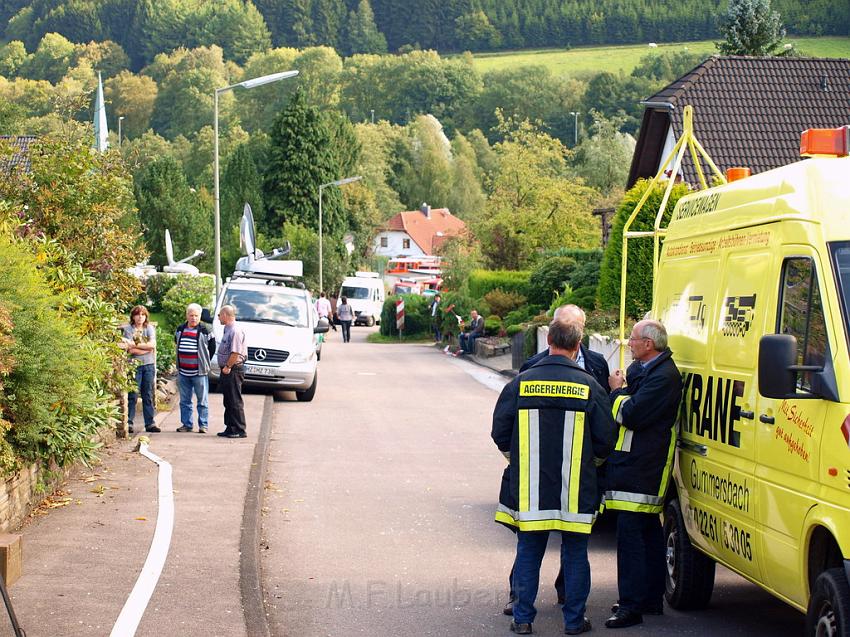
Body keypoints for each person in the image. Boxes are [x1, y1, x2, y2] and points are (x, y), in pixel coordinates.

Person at [492, 319, 617, 635]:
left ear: (548, 340)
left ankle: (522, 619)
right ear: (578, 346)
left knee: (529, 552)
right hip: (576, 489)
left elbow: (500, 432)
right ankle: (574, 622)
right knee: (575, 554)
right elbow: (606, 439)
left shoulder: (521, 383)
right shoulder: (590, 386)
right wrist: (591, 464)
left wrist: (517, 459)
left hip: (531, 489)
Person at [604, 319, 683, 629]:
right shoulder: (651, 370)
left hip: (643, 467)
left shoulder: (664, 377)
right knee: (648, 533)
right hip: (636, 465)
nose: (629, 343)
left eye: (634, 339)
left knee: (631, 538)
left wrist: (616, 392)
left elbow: (632, 414)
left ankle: (630, 607)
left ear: (649, 345)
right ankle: (649, 598)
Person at [520, 305, 610, 389]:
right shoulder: (531, 366)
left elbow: (603, 401)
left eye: (575, 327)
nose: (567, 331)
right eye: (561, 325)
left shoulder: (598, 364)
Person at [175, 303, 216, 433]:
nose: (193, 318)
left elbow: (212, 348)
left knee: (202, 401)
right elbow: (176, 342)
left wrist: (205, 362)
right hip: (183, 372)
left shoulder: (206, 330)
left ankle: (203, 425)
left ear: (200, 316)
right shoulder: (180, 329)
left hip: (199, 372)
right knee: (184, 401)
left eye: (196, 316)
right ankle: (187, 424)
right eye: (191, 315)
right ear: (187, 315)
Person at [121, 305, 160, 434]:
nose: (140, 317)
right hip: (134, 366)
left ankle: (150, 423)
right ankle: (129, 423)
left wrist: (137, 345)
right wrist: (145, 348)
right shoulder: (128, 330)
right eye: (137, 314)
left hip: (148, 365)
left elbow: (152, 345)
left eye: (143, 315)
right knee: (132, 394)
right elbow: (130, 350)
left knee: (147, 394)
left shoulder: (149, 328)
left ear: (146, 316)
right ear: (133, 316)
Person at [216, 305, 248, 439]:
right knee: (228, 400)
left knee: (234, 400)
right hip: (228, 369)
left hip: (233, 369)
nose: (218, 318)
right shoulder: (227, 329)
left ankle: (239, 429)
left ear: (225, 315)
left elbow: (235, 352)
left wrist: (228, 366)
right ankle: (230, 427)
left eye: (219, 315)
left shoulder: (235, 331)